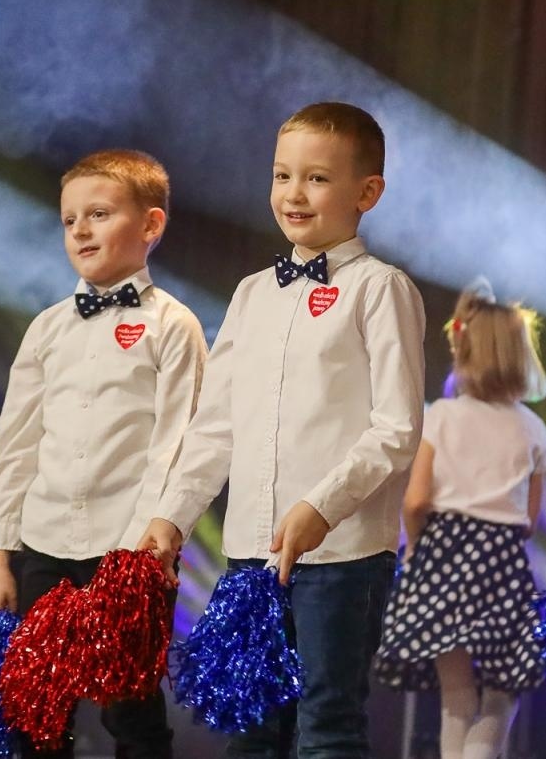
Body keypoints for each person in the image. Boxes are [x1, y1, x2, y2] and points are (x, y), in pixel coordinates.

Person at [140, 102, 426, 758]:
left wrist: (320, 507)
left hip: (343, 554)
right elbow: (217, 424)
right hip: (251, 552)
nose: (294, 193)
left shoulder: (380, 290)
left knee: (326, 725)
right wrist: (174, 516)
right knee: (251, 727)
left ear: (368, 192)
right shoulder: (250, 294)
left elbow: (397, 427)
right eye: (282, 175)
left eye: (317, 179)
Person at [0, 149, 205, 759]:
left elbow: (177, 442)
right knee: (35, 712)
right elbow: (18, 446)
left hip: (127, 549)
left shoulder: (173, 324)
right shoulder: (47, 329)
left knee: (129, 711)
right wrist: (2, 556)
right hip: (45, 545)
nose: (80, 229)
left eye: (99, 214)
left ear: (151, 226)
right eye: (69, 219)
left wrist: (144, 546)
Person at [373, 282, 546, 759]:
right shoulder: (532, 427)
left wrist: (416, 549)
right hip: (501, 565)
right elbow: (529, 521)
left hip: (440, 558)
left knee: (455, 697)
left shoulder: (442, 416)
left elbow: (415, 501)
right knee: (502, 688)